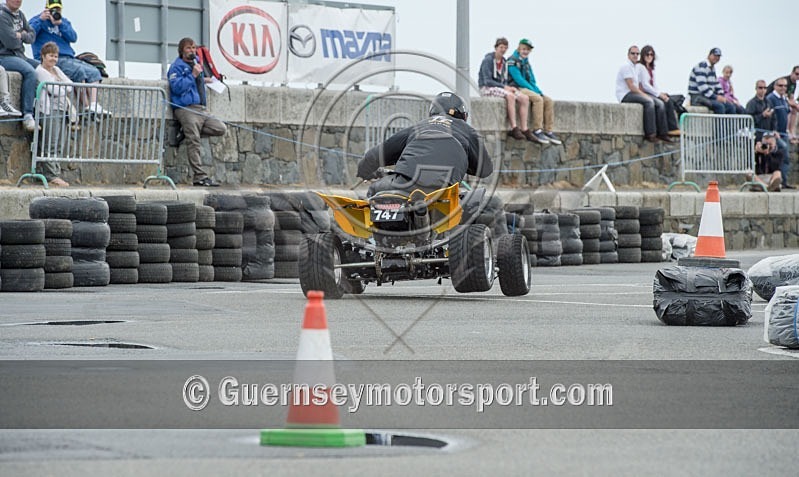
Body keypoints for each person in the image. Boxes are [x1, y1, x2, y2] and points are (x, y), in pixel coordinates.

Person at [356, 92, 493, 197]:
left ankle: (374, 232)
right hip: (445, 191)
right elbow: (485, 169)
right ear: (463, 116)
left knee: (376, 191)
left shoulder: (418, 127)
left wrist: (364, 171)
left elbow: (374, 156)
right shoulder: (467, 130)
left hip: (406, 184)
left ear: (432, 111)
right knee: (492, 205)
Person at [29, 0, 110, 116]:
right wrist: (41, 20)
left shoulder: (63, 22)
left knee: (94, 71)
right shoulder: (38, 20)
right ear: (46, 8)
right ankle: (87, 106)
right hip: (52, 59)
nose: (55, 12)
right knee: (78, 71)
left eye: (58, 9)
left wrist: (60, 24)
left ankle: (94, 104)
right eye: (53, 10)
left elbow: (73, 37)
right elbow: (29, 34)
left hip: (69, 57)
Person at [167, 37, 225, 187]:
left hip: (201, 108)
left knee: (220, 128)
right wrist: (192, 75)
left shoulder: (196, 63)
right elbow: (177, 88)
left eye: (193, 48)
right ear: (181, 51)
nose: (192, 51)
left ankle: (186, 132)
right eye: (188, 48)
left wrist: (203, 79)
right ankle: (199, 177)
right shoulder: (176, 67)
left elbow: (195, 84)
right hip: (185, 108)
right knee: (194, 141)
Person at [506, 38, 561, 145]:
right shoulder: (512, 61)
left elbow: (532, 79)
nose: (525, 51)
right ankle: (537, 129)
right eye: (524, 49)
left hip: (528, 87)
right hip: (518, 87)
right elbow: (519, 80)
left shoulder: (526, 63)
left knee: (548, 100)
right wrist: (534, 92)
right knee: (538, 99)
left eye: (528, 50)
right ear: (519, 48)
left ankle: (548, 130)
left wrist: (538, 90)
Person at [33, 41, 71, 187]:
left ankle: (55, 172)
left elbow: (70, 86)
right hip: (49, 110)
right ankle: (50, 175)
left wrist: (61, 87)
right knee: (50, 143)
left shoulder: (57, 70)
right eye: (50, 56)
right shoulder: (40, 71)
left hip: (62, 109)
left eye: (56, 56)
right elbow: (56, 90)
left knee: (59, 143)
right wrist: (62, 87)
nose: (54, 59)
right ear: (43, 56)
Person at [478, 37, 530, 141]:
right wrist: (505, 87)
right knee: (510, 96)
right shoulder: (488, 60)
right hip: (487, 88)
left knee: (524, 98)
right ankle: (514, 127)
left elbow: (504, 80)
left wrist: (510, 87)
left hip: (501, 88)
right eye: (501, 47)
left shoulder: (504, 62)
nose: (503, 50)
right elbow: (487, 81)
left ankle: (524, 128)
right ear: (496, 47)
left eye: (505, 48)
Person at [616, 45, 671, 143]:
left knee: (660, 104)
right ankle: (650, 134)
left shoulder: (635, 67)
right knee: (649, 102)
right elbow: (631, 87)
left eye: (637, 53)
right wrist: (644, 95)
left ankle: (662, 133)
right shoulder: (626, 67)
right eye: (633, 53)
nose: (635, 55)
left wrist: (655, 94)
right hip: (626, 94)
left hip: (635, 92)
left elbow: (641, 84)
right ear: (628, 55)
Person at [0, 0, 39, 131]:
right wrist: (22, 37)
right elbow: (11, 42)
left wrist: (20, 35)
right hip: (4, 56)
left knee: (42, 68)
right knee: (30, 72)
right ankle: (28, 114)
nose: (18, 1)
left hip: (20, 55)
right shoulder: (2, 16)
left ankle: (41, 111)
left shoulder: (20, 15)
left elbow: (33, 37)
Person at [636, 45, 680, 136]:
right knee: (661, 104)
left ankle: (673, 128)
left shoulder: (651, 69)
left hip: (651, 91)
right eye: (647, 54)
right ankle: (664, 131)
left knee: (668, 100)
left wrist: (660, 93)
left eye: (651, 55)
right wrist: (658, 94)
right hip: (644, 92)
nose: (649, 57)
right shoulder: (640, 67)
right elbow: (645, 85)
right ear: (643, 56)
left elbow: (654, 84)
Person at [687, 48, 736, 115]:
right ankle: (718, 125)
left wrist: (722, 96)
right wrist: (716, 97)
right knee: (719, 107)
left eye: (718, 56)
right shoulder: (702, 67)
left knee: (730, 107)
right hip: (697, 97)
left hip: (707, 96)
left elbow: (716, 84)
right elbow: (703, 88)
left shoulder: (712, 68)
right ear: (709, 55)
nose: (716, 58)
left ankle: (729, 125)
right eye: (715, 55)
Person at [767, 78, 793, 188]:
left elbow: (787, 115)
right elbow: (771, 116)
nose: (783, 88)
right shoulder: (771, 99)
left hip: (784, 133)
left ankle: (783, 181)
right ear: (775, 86)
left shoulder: (784, 99)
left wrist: (788, 131)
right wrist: (774, 131)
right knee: (783, 154)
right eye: (780, 85)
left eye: (785, 86)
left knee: (785, 157)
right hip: (775, 134)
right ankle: (780, 181)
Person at [767, 66, 799, 142]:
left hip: (782, 99)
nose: (798, 76)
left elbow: (790, 97)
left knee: (792, 109)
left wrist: (795, 104)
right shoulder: (786, 81)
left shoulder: (794, 84)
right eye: (797, 74)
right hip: (773, 99)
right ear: (792, 73)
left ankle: (791, 131)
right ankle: (788, 130)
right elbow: (785, 98)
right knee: (788, 108)